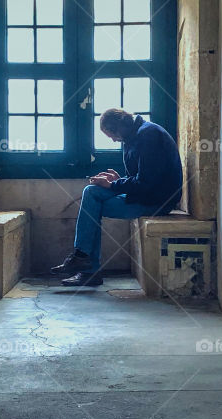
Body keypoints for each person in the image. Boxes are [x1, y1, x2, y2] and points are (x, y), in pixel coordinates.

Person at [52, 108, 183, 287]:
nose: (113, 140)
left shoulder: (149, 136)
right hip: (144, 194)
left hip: (157, 201)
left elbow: (147, 183)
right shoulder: (134, 135)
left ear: (120, 127)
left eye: (112, 135)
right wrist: (118, 180)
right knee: (91, 191)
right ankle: (83, 259)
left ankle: (86, 266)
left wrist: (114, 185)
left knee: (92, 206)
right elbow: (141, 178)